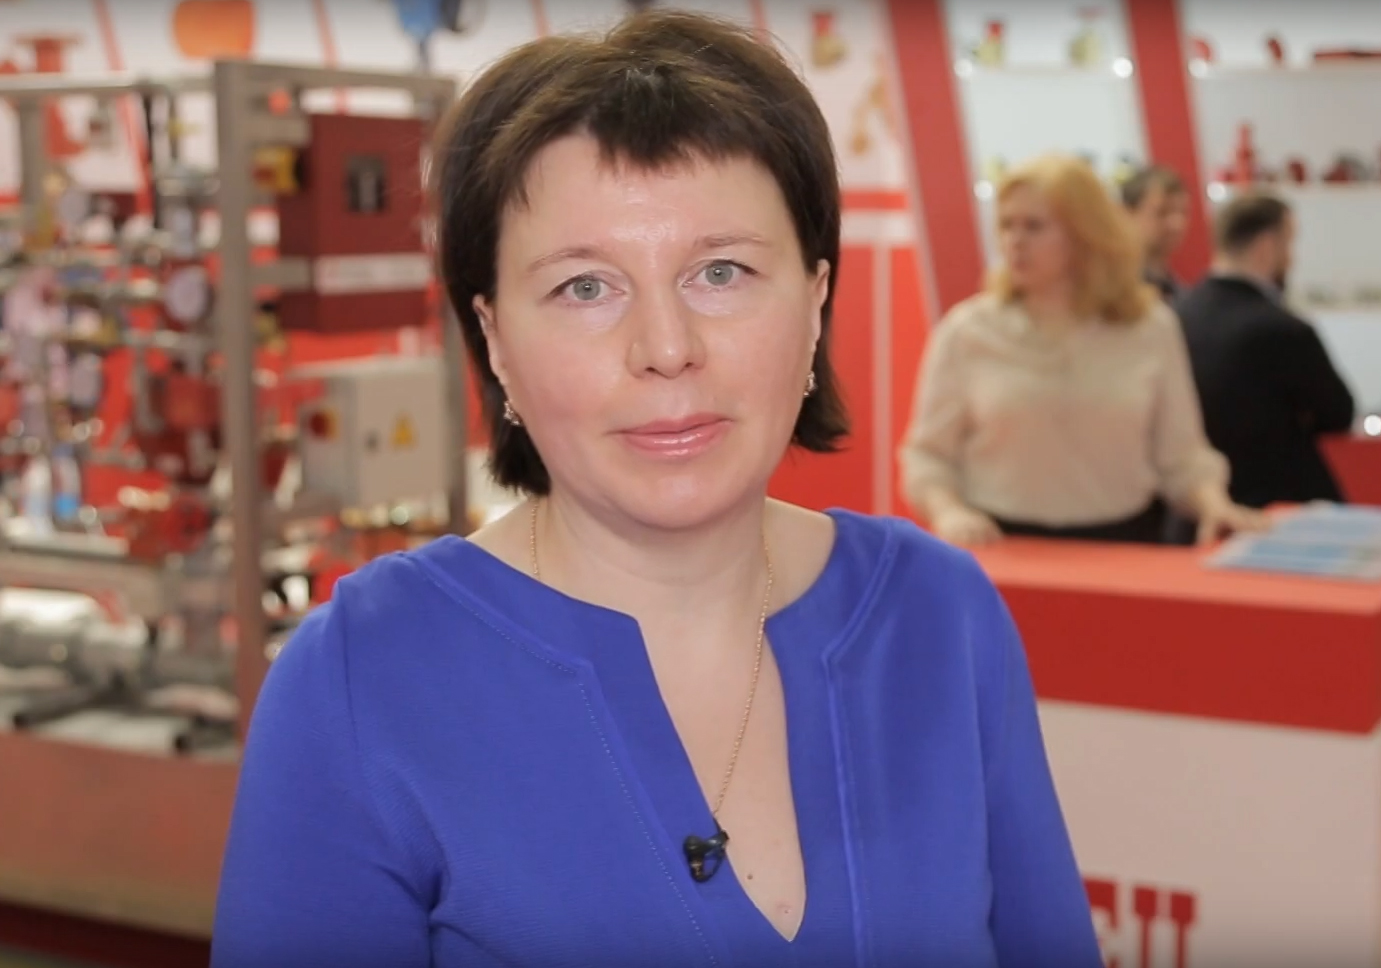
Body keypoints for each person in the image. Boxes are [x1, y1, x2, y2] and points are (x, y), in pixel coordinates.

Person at [211, 13, 1102, 968]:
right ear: (495, 338)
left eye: (720, 272)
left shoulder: (938, 618)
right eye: (584, 288)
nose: (667, 348)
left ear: (813, 302)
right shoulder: (364, 680)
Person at [901, 153, 1265, 548]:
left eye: (1033, 226)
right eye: (1006, 225)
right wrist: (949, 511)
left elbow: (1182, 456)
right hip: (1000, 547)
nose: (1014, 241)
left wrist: (1215, 506)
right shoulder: (966, 330)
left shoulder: (1150, 328)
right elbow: (928, 456)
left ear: (1084, 234)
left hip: (1124, 547)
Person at [1176, 191, 1355, 508]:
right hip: (1281, 504)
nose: (1291, 259)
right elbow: (1338, 412)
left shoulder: (1175, 316)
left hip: (1195, 503)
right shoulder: (1282, 329)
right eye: (1288, 244)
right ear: (1267, 246)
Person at [1120, 164, 1191, 300]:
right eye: (1162, 212)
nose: (1176, 224)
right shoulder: (1115, 290)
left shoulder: (1177, 288)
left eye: (1183, 212)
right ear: (1128, 213)